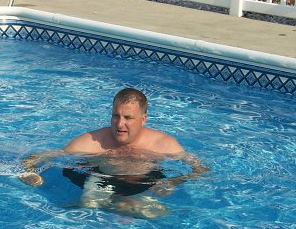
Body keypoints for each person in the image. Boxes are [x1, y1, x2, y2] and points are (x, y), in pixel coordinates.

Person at [19, 88, 209, 218]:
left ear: (143, 119)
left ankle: (125, 205)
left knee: (159, 215)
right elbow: (40, 156)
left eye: (128, 118)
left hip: (141, 183)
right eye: (116, 116)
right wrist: (29, 171)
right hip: (101, 179)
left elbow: (200, 169)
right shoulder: (93, 141)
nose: (120, 124)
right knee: (90, 207)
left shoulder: (163, 144)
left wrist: (173, 182)